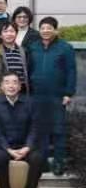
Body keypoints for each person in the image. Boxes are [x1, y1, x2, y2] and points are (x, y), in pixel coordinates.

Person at [27, 17, 77, 175]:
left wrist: (68, 93)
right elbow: (29, 69)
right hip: (37, 95)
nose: (46, 31)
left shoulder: (65, 48)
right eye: (43, 28)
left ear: (55, 30)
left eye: (49, 28)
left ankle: (59, 162)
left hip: (57, 95)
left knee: (58, 130)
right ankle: (42, 162)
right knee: (40, 129)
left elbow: (71, 71)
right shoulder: (33, 47)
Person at [0, 73, 44, 188]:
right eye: (7, 82)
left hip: (24, 144)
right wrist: (9, 150)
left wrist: (27, 147)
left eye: (14, 82)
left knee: (38, 158)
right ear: (2, 86)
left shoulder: (31, 103)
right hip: (4, 145)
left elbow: (35, 128)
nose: (11, 86)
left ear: (19, 86)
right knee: (0, 158)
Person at [0, 23, 30, 93]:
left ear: (16, 34)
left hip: (22, 89)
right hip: (4, 90)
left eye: (12, 31)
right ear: (0, 35)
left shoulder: (23, 51)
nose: (9, 34)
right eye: (5, 31)